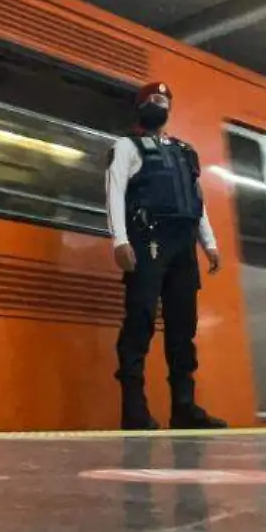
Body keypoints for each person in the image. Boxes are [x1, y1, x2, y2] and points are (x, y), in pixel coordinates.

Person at [105, 82, 226, 431]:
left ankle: (184, 407)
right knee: (140, 319)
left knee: (182, 326)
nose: (159, 105)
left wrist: (210, 243)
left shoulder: (185, 152)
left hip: (183, 244)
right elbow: (115, 192)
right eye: (153, 100)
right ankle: (134, 409)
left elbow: (196, 201)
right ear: (141, 107)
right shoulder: (126, 147)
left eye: (164, 100)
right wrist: (119, 240)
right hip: (148, 239)